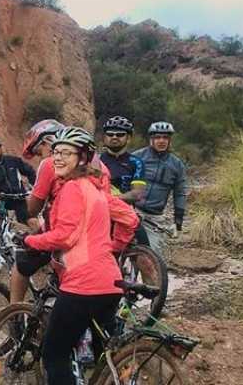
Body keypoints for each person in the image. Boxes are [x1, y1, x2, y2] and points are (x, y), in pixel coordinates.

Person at [15, 127, 131, 384]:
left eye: (66, 153)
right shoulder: (98, 189)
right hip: (111, 281)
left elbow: (64, 237)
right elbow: (130, 220)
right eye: (55, 152)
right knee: (104, 355)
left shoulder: (71, 189)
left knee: (54, 354)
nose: (57, 158)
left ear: (82, 158)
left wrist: (30, 240)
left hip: (82, 285)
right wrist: (113, 248)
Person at [133, 121, 188, 254]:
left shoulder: (177, 165)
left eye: (165, 138)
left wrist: (178, 221)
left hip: (155, 217)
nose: (161, 141)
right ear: (151, 139)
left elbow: (180, 193)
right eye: (157, 137)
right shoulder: (137, 157)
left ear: (170, 140)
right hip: (133, 211)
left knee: (153, 256)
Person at [99, 116, 151, 247]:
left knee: (145, 251)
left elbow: (137, 194)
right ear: (104, 138)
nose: (114, 137)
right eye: (110, 134)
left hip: (125, 214)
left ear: (128, 138)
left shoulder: (136, 162)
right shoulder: (95, 161)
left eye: (120, 134)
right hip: (99, 214)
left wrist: (110, 200)